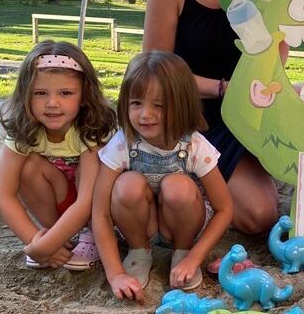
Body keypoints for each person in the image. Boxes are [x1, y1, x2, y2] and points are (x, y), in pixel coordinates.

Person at [143, 0, 279, 234]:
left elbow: (277, 52)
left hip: (246, 115)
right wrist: (221, 88)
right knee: (254, 213)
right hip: (189, 116)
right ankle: (182, 191)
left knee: (263, 215)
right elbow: (152, 69)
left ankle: (194, 193)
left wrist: (263, 85)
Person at [93, 51, 233, 304]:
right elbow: (100, 212)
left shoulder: (195, 145)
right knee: (126, 185)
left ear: (182, 104)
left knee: (178, 186)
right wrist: (115, 275)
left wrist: (195, 257)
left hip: (181, 226)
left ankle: (182, 251)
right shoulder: (123, 143)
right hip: (140, 226)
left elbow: (225, 209)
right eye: (136, 103)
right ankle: (139, 252)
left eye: (158, 105)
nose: (145, 114)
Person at [0, 40, 117, 270]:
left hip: (96, 208)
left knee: (89, 168)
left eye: (66, 93)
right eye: (40, 93)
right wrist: (35, 241)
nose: (52, 103)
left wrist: (41, 249)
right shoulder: (25, 130)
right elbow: (3, 195)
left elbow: (88, 200)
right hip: (61, 205)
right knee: (27, 167)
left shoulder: (91, 129)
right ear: (25, 95)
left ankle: (90, 237)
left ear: (84, 95)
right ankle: (56, 237)